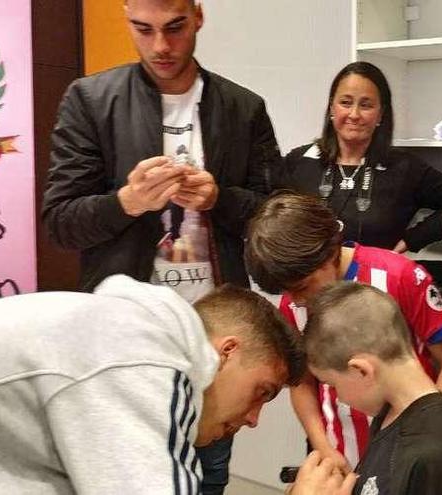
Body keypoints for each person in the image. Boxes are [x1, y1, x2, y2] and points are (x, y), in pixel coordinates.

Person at [42, 0, 282, 490]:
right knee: (123, 474)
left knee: (209, 471)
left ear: (198, 15)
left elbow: (275, 218)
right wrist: (125, 202)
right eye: (142, 29)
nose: (161, 46)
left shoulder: (243, 107)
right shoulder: (91, 99)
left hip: (217, 338)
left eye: (175, 28)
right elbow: (60, 223)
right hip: (124, 335)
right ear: (127, 17)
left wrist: (220, 199)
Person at [0, 275, 304, 494]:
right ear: (227, 352)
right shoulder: (141, 350)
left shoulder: (124, 338)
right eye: (262, 392)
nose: (254, 419)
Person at [244, 191, 442, 471]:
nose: (297, 300)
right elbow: (301, 383)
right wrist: (324, 448)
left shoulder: (399, 276)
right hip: (344, 459)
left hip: (407, 456)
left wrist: (425, 432)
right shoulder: (293, 303)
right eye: (287, 291)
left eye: (303, 286)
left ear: (329, 252)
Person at [301, 282, 442, 495]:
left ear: (361, 371)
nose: (340, 399)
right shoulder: (391, 412)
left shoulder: (429, 457)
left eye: (334, 385)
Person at [274, 61, 442, 254]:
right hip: (309, 281)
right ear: (332, 108)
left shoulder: (404, 168)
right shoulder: (299, 161)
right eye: (345, 103)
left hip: (373, 282)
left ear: (381, 114)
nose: (354, 114)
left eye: (366, 105)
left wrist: (412, 240)